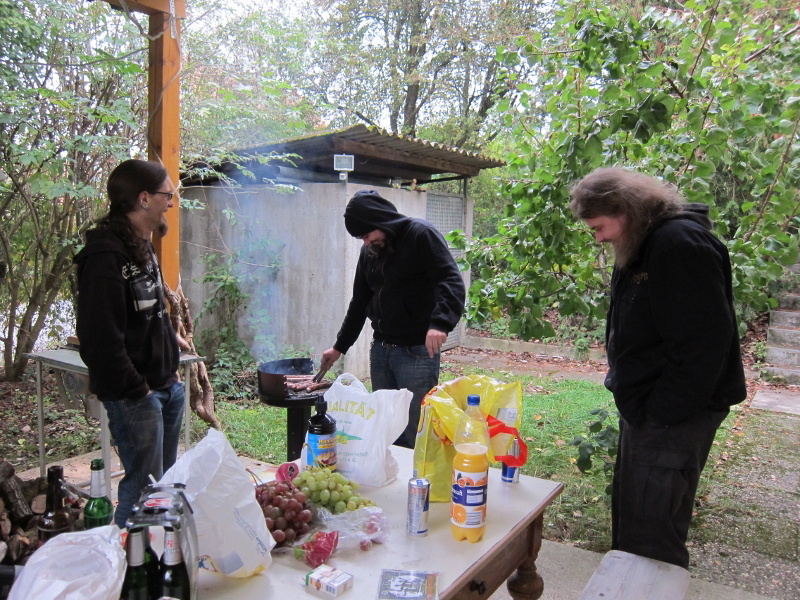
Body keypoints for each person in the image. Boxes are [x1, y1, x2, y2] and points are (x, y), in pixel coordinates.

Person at [569, 167, 747, 569]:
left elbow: (703, 347)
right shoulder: (645, 242)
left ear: (625, 209)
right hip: (650, 409)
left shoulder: (677, 244)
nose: (598, 238)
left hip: (674, 416)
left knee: (651, 537)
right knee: (636, 522)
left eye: (598, 227)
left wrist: (660, 414)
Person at [75, 159, 183, 527]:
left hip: (166, 386)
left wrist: (172, 349)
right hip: (135, 396)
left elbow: (152, 313)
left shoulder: (142, 244)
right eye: (167, 195)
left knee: (162, 488)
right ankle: (123, 571)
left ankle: (153, 565)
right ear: (143, 199)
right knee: (140, 491)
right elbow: (100, 341)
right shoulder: (105, 257)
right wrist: (140, 391)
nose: (171, 201)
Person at [319, 190, 466, 448]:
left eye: (366, 235)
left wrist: (441, 323)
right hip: (381, 351)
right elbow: (359, 302)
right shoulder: (371, 252)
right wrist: (339, 347)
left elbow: (450, 280)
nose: (365, 243)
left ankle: (418, 486)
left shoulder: (422, 235)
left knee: (415, 432)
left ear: (380, 221)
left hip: (417, 353)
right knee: (387, 430)